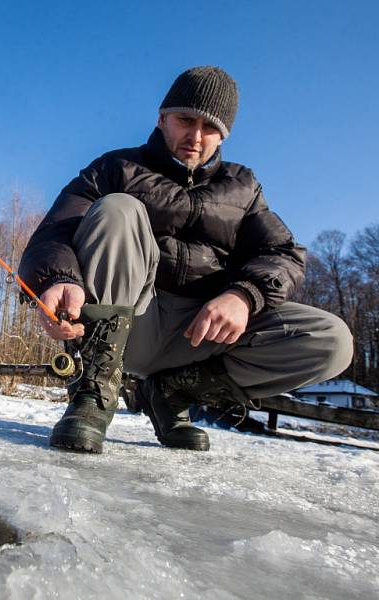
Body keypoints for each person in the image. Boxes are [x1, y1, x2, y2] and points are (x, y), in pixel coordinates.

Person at [18, 66, 353, 454]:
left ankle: (172, 391)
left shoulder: (243, 187)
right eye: (185, 120)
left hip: (198, 333)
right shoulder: (116, 168)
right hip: (129, 321)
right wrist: (57, 279)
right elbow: (55, 231)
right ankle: (94, 390)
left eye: (210, 127)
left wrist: (243, 296)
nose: (195, 136)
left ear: (224, 135)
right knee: (118, 209)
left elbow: (282, 254)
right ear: (162, 119)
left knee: (332, 341)